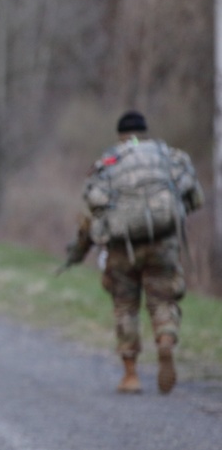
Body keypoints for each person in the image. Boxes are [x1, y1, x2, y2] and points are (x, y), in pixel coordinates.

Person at [63, 110, 204, 395]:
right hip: (163, 243)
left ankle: (131, 375)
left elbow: (91, 214)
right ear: (145, 132)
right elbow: (195, 199)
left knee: (125, 307)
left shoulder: (109, 162)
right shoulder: (168, 157)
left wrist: (79, 251)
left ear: (120, 135)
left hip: (121, 248)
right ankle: (165, 339)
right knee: (163, 299)